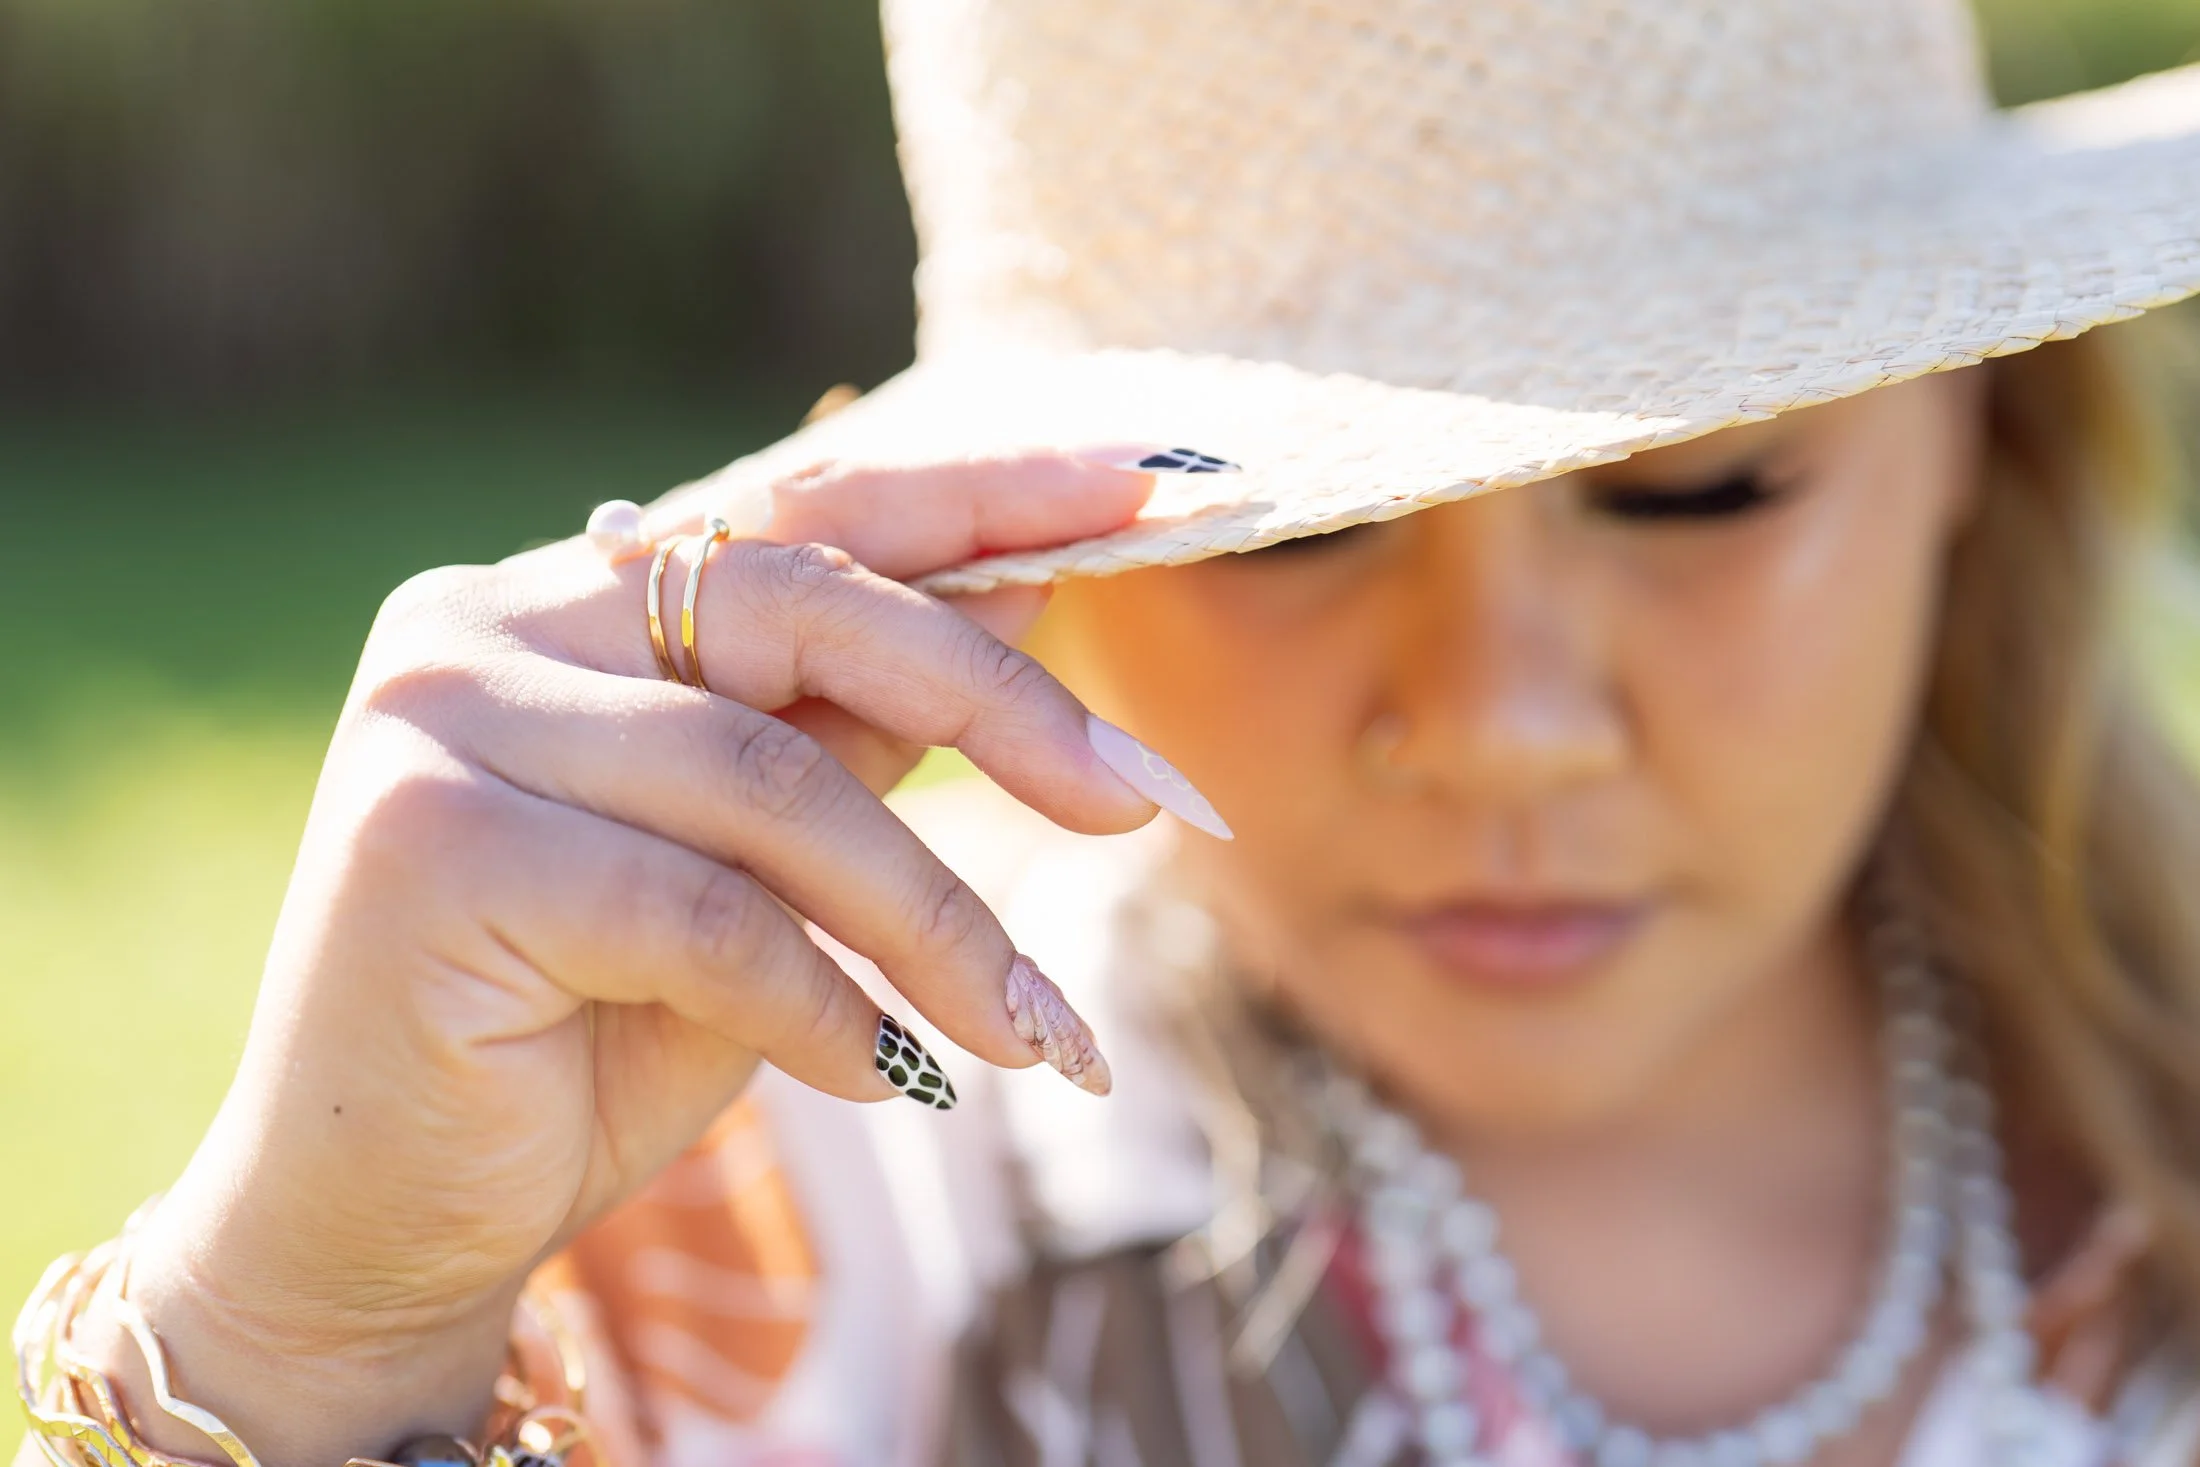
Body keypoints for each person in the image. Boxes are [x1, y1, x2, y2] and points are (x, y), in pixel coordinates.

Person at [20, 0, 2200, 1464]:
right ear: (1007, 556)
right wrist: (310, 1323)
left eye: (1703, 483)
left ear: (1977, 453)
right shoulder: (711, 1251)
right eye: (1281, 535)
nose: (1502, 727)